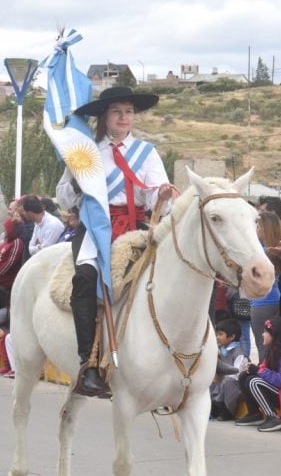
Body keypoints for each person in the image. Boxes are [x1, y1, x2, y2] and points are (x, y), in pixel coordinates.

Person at [55, 86, 177, 397]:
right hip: (96, 226)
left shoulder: (146, 153)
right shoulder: (86, 152)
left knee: (180, 270)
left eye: (129, 111)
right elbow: (63, 196)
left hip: (135, 225)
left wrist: (162, 194)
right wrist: (78, 184)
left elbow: (153, 192)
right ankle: (89, 365)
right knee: (86, 279)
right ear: (105, 117)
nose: (124, 117)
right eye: (117, 111)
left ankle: (188, 355)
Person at [234, 317, 281, 432]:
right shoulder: (275, 348)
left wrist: (259, 371)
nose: (262, 335)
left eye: (265, 332)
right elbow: (264, 368)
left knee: (254, 381)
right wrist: (253, 368)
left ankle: (273, 418)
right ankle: (254, 414)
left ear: (274, 335)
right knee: (245, 376)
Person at [250, 212, 281, 361]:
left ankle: (264, 376)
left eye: (258, 225)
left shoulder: (263, 251)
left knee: (262, 343)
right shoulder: (277, 248)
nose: (255, 228)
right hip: (275, 298)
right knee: (273, 344)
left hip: (262, 302)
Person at [210, 319, 248, 421]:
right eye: (216, 334)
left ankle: (228, 411)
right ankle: (212, 404)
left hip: (236, 389)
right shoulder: (220, 350)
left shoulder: (239, 353)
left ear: (231, 337)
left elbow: (236, 375)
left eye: (220, 334)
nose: (217, 337)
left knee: (228, 381)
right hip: (220, 388)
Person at [0, 218, 24, 292]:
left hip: (5, 281)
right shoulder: (6, 241)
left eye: (6, 229)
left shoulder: (17, 243)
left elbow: (10, 262)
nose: (4, 231)